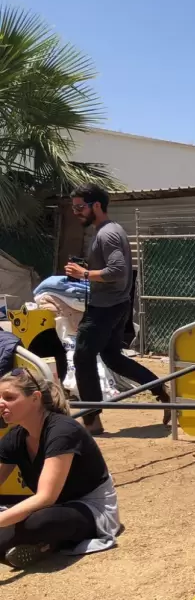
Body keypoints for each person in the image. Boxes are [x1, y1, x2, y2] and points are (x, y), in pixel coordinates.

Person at [65, 184, 170, 435]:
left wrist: (85, 273)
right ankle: (161, 390)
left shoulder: (107, 234)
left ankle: (91, 421)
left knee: (83, 356)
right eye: (74, 208)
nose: (76, 212)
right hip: (114, 305)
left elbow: (118, 270)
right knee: (112, 357)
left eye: (80, 207)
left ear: (96, 206)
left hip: (105, 308)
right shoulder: (106, 231)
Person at [0, 368, 120, 569]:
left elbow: (46, 497)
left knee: (39, 522)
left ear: (35, 398)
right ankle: (34, 546)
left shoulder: (62, 431)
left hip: (89, 508)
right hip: (51, 507)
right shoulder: (16, 436)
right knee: (16, 527)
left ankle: (41, 544)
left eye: (9, 397)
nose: (1, 403)